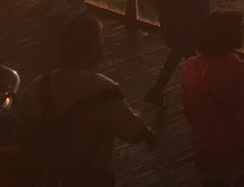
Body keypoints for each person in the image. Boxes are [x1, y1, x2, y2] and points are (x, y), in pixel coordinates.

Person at [11, 14, 156, 183]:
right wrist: (148, 135)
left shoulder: (40, 84)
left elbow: (22, 118)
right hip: (89, 174)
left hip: (48, 171)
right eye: (99, 42)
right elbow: (131, 129)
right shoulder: (105, 90)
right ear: (91, 50)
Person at [181, 11, 244, 186]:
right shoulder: (241, 70)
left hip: (204, 149)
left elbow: (189, 112)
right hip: (235, 150)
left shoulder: (189, 67)